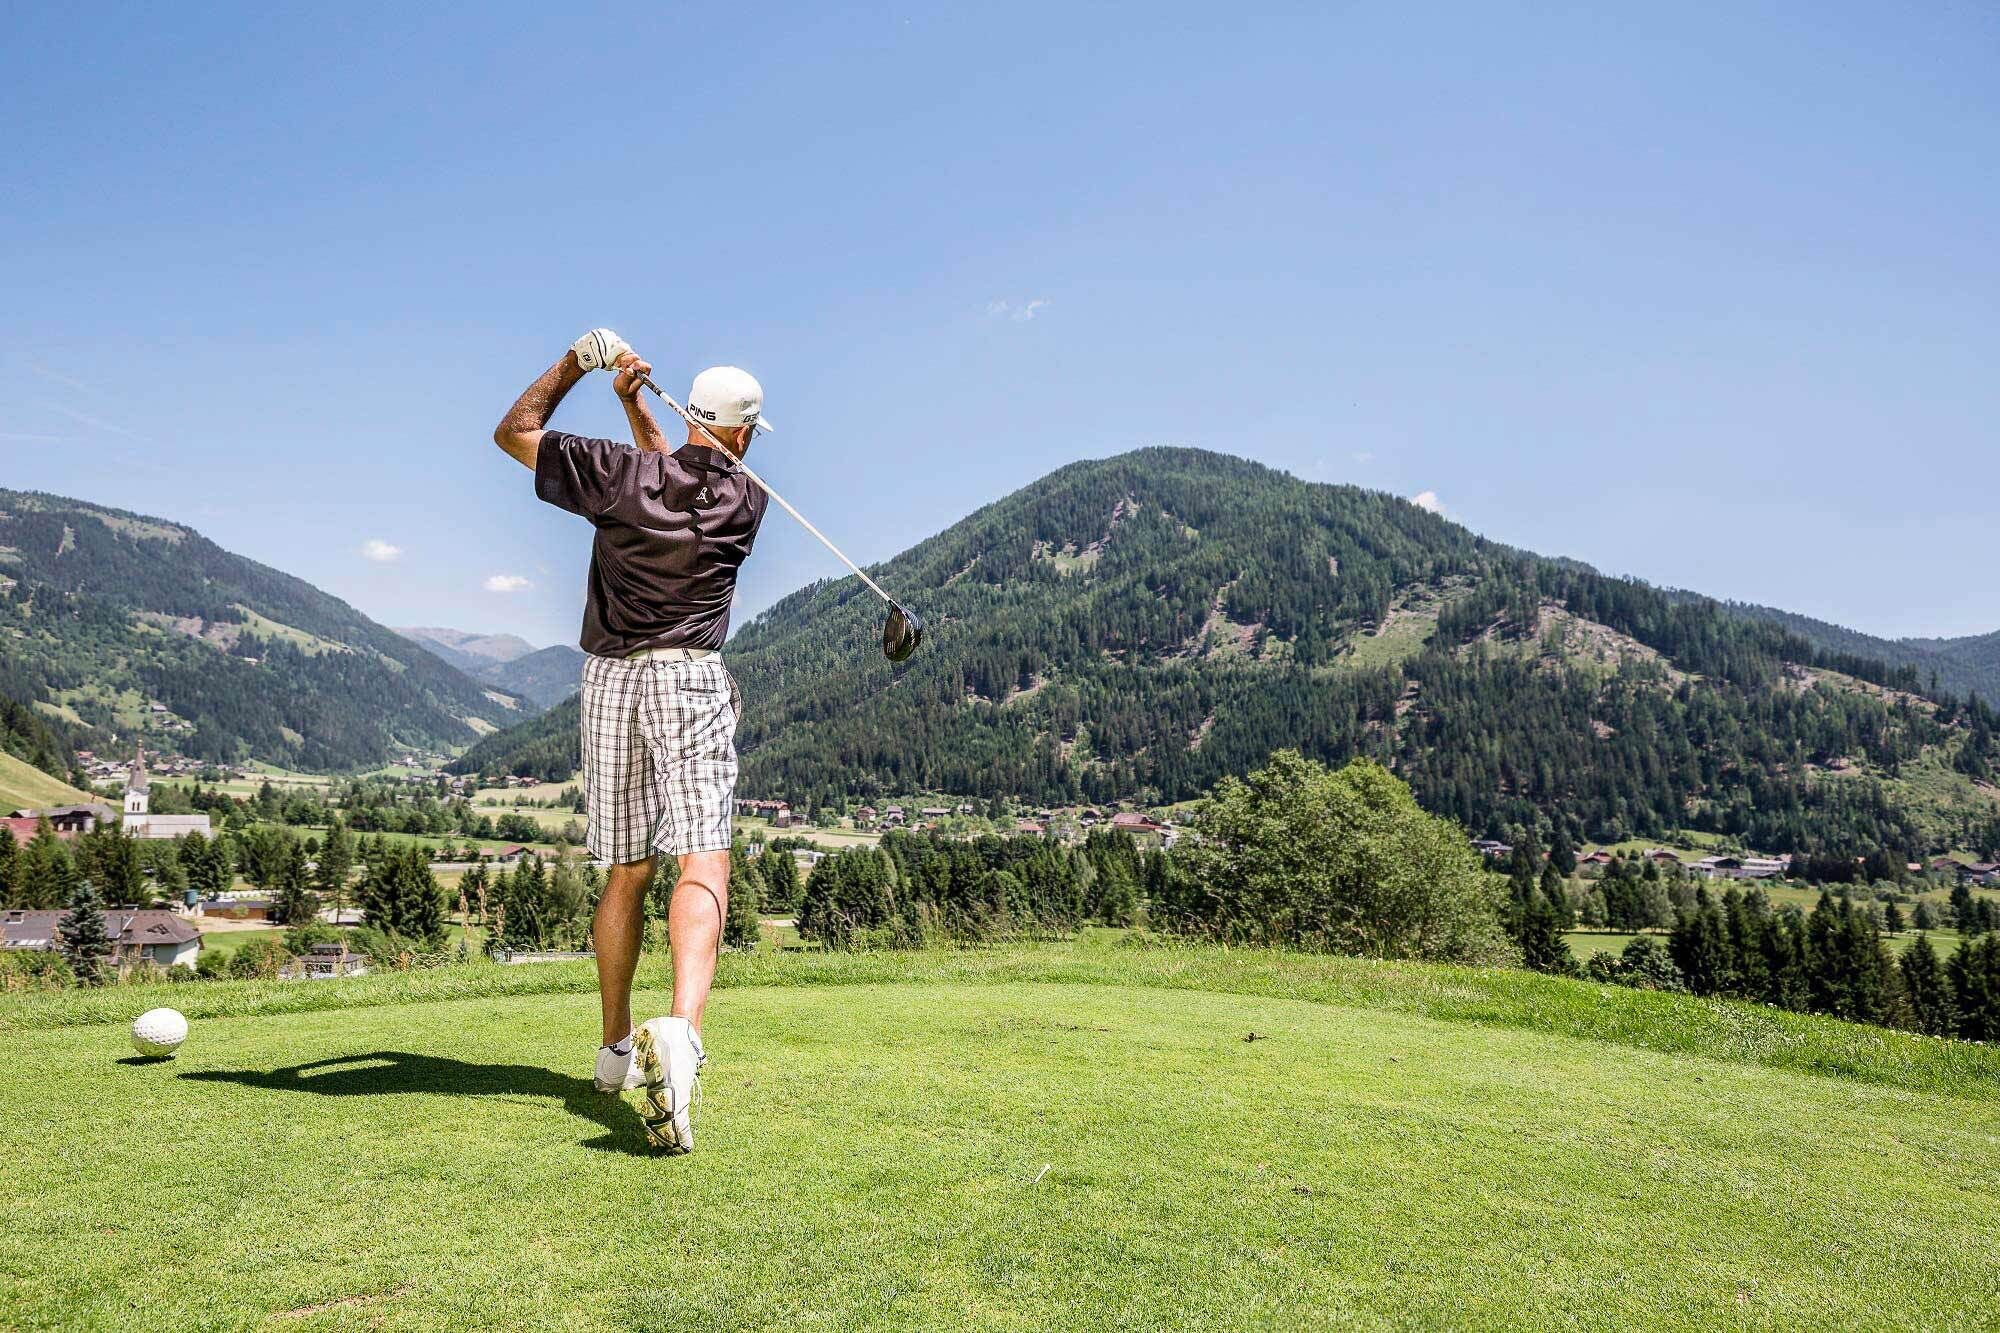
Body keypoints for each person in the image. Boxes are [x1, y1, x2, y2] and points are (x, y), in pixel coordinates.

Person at [492, 328, 772, 1153]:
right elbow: (682, 481)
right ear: (745, 435)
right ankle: (681, 1031)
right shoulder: (746, 498)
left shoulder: (622, 476)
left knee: (626, 868)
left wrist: (583, 366)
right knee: (703, 858)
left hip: (612, 678)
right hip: (689, 678)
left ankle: (617, 1045)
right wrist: (635, 405)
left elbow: (515, 430)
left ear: (691, 414)